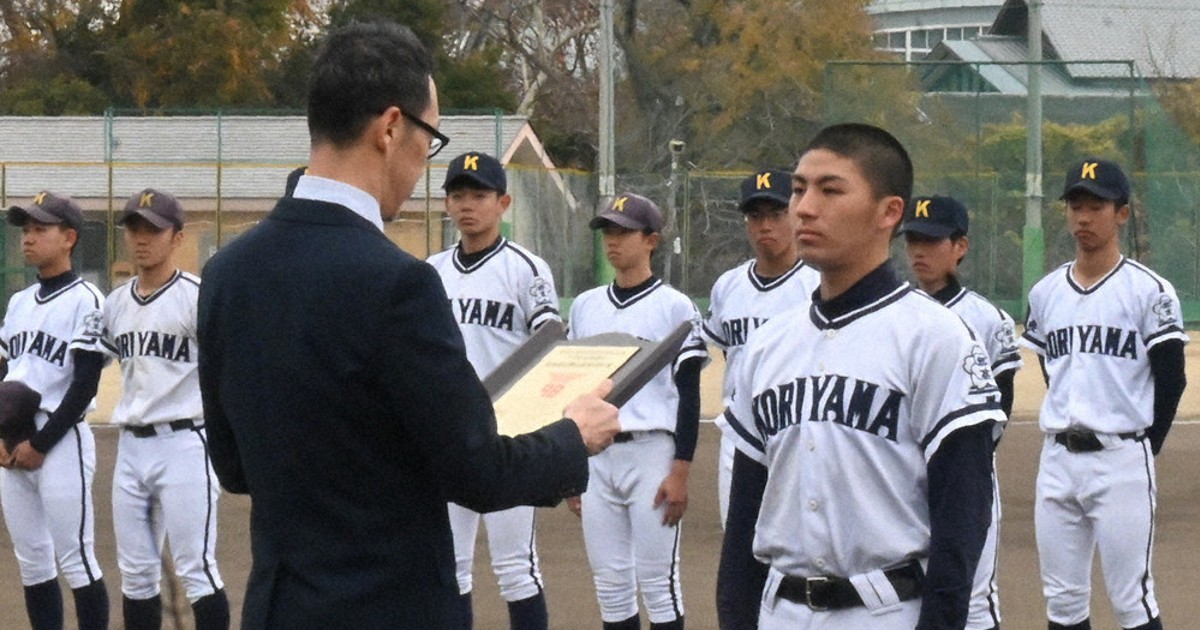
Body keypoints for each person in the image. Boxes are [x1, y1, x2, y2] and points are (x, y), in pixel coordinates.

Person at [195, 20, 620, 630]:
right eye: (431, 138)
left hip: (279, 607)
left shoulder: (227, 272)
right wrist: (572, 435)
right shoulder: (399, 283)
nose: (427, 163)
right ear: (391, 128)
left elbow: (234, 467)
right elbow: (476, 471)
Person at [716, 123, 1004, 630]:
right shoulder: (767, 345)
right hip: (778, 611)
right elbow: (742, 526)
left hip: (886, 610)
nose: (803, 207)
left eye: (830, 190)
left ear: (889, 212)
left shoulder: (936, 337)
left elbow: (962, 523)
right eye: (800, 189)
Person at [1022, 159, 1186, 630]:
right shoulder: (1047, 291)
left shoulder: (1149, 292)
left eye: (1096, 206)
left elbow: (1172, 379)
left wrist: (1142, 449)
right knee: (1063, 603)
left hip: (1121, 459)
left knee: (1131, 600)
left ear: (1122, 214)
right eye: (1075, 206)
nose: (1082, 218)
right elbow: (1053, 368)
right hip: (1056, 461)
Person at [428, 151, 560, 629]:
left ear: (503, 202)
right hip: (449, 432)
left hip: (510, 431)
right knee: (452, 568)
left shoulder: (527, 268)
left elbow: (549, 345)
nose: (468, 205)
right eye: (458, 194)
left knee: (515, 568)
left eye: (480, 195)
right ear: (445, 203)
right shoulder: (431, 271)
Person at [566, 192, 709, 630]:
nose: (613, 241)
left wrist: (681, 470)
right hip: (597, 458)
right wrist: (570, 464)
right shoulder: (586, 306)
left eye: (624, 232)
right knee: (610, 587)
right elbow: (574, 392)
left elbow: (689, 394)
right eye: (608, 231)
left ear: (651, 240)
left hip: (652, 453)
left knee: (658, 586)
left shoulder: (675, 307)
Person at [100, 188, 230, 630]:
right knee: (136, 576)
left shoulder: (197, 296)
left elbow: (225, 370)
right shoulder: (115, 304)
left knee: (197, 570)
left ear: (177, 237)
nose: (141, 238)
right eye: (134, 227)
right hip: (130, 448)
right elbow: (83, 369)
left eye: (153, 229)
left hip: (185, 444)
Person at [900, 194, 1023, 630]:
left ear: (960, 247)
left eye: (932, 241)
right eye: (913, 239)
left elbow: (1001, 402)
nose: (919, 251)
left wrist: (972, 462)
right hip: (903, 474)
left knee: (972, 600)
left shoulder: (987, 318)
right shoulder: (899, 314)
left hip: (964, 470)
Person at [0, 191, 110, 630]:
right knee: (32, 563)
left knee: (77, 559)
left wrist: (41, 444)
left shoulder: (88, 299)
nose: (28, 238)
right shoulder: (19, 302)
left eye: (39, 229)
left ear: (69, 238)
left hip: (58, 440)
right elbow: (5, 368)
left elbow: (85, 384)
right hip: (11, 439)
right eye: (25, 230)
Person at [703, 168, 818, 528]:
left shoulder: (817, 285)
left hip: (800, 433)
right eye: (755, 216)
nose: (764, 225)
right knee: (739, 543)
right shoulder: (728, 286)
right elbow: (726, 353)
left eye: (776, 214)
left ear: (797, 213)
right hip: (739, 431)